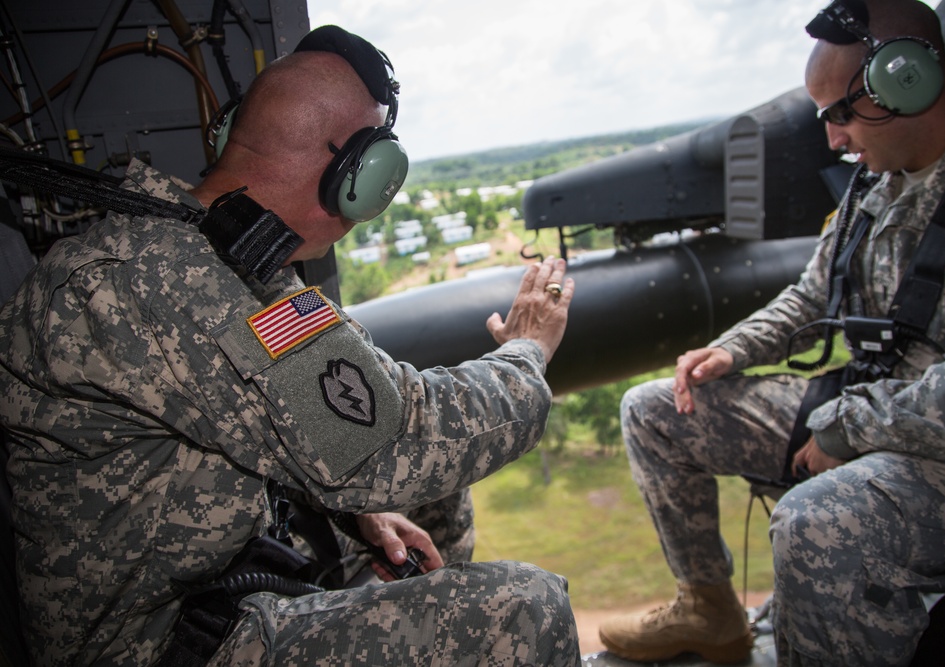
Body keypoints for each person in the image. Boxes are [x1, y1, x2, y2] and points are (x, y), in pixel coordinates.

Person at [0, 24, 581, 667]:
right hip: (157, 643)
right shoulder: (168, 280)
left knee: (426, 498)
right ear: (354, 177)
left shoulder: (220, 248)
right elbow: (396, 439)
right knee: (527, 608)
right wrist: (525, 353)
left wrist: (362, 515)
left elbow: (293, 418)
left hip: (219, 564)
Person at [598, 0, 945, 664]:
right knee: (653, 410)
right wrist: (733, 348)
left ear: (907, 81)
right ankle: (711, 610)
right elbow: (815, 291)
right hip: (871, 402)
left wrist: (848, 425)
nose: (834, 140)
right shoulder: (875, 184)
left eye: (840, 113)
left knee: (814, 520)